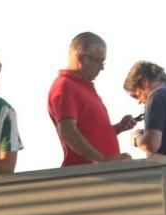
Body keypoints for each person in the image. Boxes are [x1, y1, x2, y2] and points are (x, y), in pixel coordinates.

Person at [48, 32, 137, 166]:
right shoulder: (65, 86)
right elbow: (68, 131)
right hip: (88, 177)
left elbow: (89, 132)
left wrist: (117, 128)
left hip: (100, 174)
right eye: (99, 61)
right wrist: (102, 160)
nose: (101, 68)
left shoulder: (84, 87)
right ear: (82, 58)